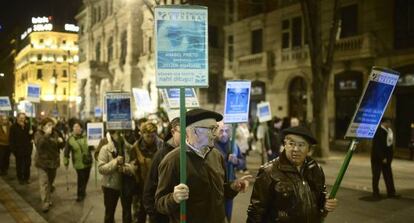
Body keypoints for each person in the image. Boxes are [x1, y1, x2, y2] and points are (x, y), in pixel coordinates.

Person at [155, 108, 252, 223]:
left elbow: (221, 192)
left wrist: (233, 186)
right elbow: (160, 204)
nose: (215, 134)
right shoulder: (172, 160)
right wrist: (174, 198)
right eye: (211, 129)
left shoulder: (216, 155)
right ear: (194, 131)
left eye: (215, 128)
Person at [247, 126, 337, 222]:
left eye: (301, 145)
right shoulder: (269, 172)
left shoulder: (315, 169)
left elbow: (320, 196)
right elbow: (256, 211)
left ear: (309, 149)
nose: (296, 149)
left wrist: (326, 202)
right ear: (284, 145)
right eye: (291, 144)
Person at [143, 117, 180, 223]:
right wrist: (154, 214)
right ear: (173, 132)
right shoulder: (162, 155)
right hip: (162, 216)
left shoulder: (188, 152)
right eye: (182, 131)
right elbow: (149, 187)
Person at [98, 130, 136, 223]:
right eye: (117, 133)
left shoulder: (129, 148)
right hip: (110, 186)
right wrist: (115, 162)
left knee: (127, 214)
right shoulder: (105, 148)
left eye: (121, 133)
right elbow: (101, 168)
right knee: (109, 214)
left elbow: (135, 165)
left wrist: (127, 169)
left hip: (126, 185)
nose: (120, 135)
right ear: (112, 135)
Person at [131, 121, 163, 223]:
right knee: (140, 215)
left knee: (155, 216)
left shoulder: (161, 146)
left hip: (157, 187)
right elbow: (132, 165)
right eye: (147, 136)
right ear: (142, 134)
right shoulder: (136, 147)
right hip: (140, 186)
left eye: (153, 136)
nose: (150, 138)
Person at [215, 121, 246, 222]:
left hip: (231, 186)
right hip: (216, 187)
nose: (224, 134)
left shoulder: (234, 146)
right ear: (215, 131)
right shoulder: (210, 146)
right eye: (221, 131)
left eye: (226, 131)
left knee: (228, 213)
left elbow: (243, 163)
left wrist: (236, 161)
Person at [34, 117, 65, 212]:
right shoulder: (38, 134)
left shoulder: (55, 133)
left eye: (51, 125)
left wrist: (61, 142)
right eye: (48, 125)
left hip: (53, 163)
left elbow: (61, 146)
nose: (51, 127)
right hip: (42, 163)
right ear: (43, 127)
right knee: (44, 183)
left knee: (50, 183)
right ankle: (45, 203)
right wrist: (46, 135)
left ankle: (48, 197)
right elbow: (39, 145)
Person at [64, 120, 93, 202]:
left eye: (78, 127)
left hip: (88, 162)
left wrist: (94, 144)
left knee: (86, 178)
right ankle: (80, 195)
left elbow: (91, 148)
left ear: (81, 128)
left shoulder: (86, 137)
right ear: (72, 128)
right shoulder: (70, 139)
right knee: (81, 179)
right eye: (74, 127)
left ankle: (83, 191)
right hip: (78, 163)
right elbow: (66, 151)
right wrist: (66, 161)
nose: (76, 128)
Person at [371, 118, 399, 199]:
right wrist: (382, 157)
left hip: (387, 158)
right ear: (384, 123)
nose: (390, 124)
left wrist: (389, 157)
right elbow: (377, 147)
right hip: (378, 158)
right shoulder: (378, 131)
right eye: (388, 122)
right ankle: (375, 193)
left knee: (388, 175)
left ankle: (391, 192)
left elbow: (389, 145)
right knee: (376, 176)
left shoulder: (389, 131)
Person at [9, 113, 34, 184]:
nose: (22, 119)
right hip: (18, 150)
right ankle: (20, 178)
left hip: (27, 150)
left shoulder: (28, 126)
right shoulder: (13, 127)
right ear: (17, 118)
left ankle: (26, 178)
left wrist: (31, 134)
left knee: (27, 164)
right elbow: (11, 139)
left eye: (23, 118)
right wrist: (13, 150)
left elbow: (32, 136)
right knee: (19, 165)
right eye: (21, 118)